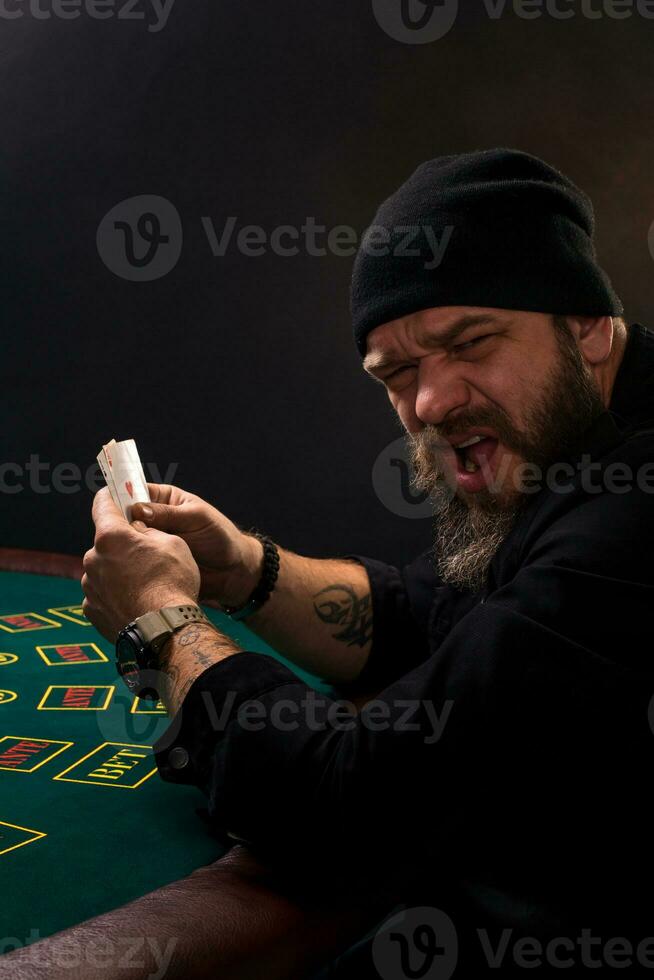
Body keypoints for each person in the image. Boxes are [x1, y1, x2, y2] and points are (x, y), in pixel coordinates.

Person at [82, 149, 654, 976]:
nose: (431, 402)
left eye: (471, 343)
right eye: (399, 374)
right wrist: (243, 568)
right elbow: (425, 609)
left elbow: (343, 811)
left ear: (589, 326)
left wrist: (166, 622)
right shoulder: (568, 444)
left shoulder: (633, 512)